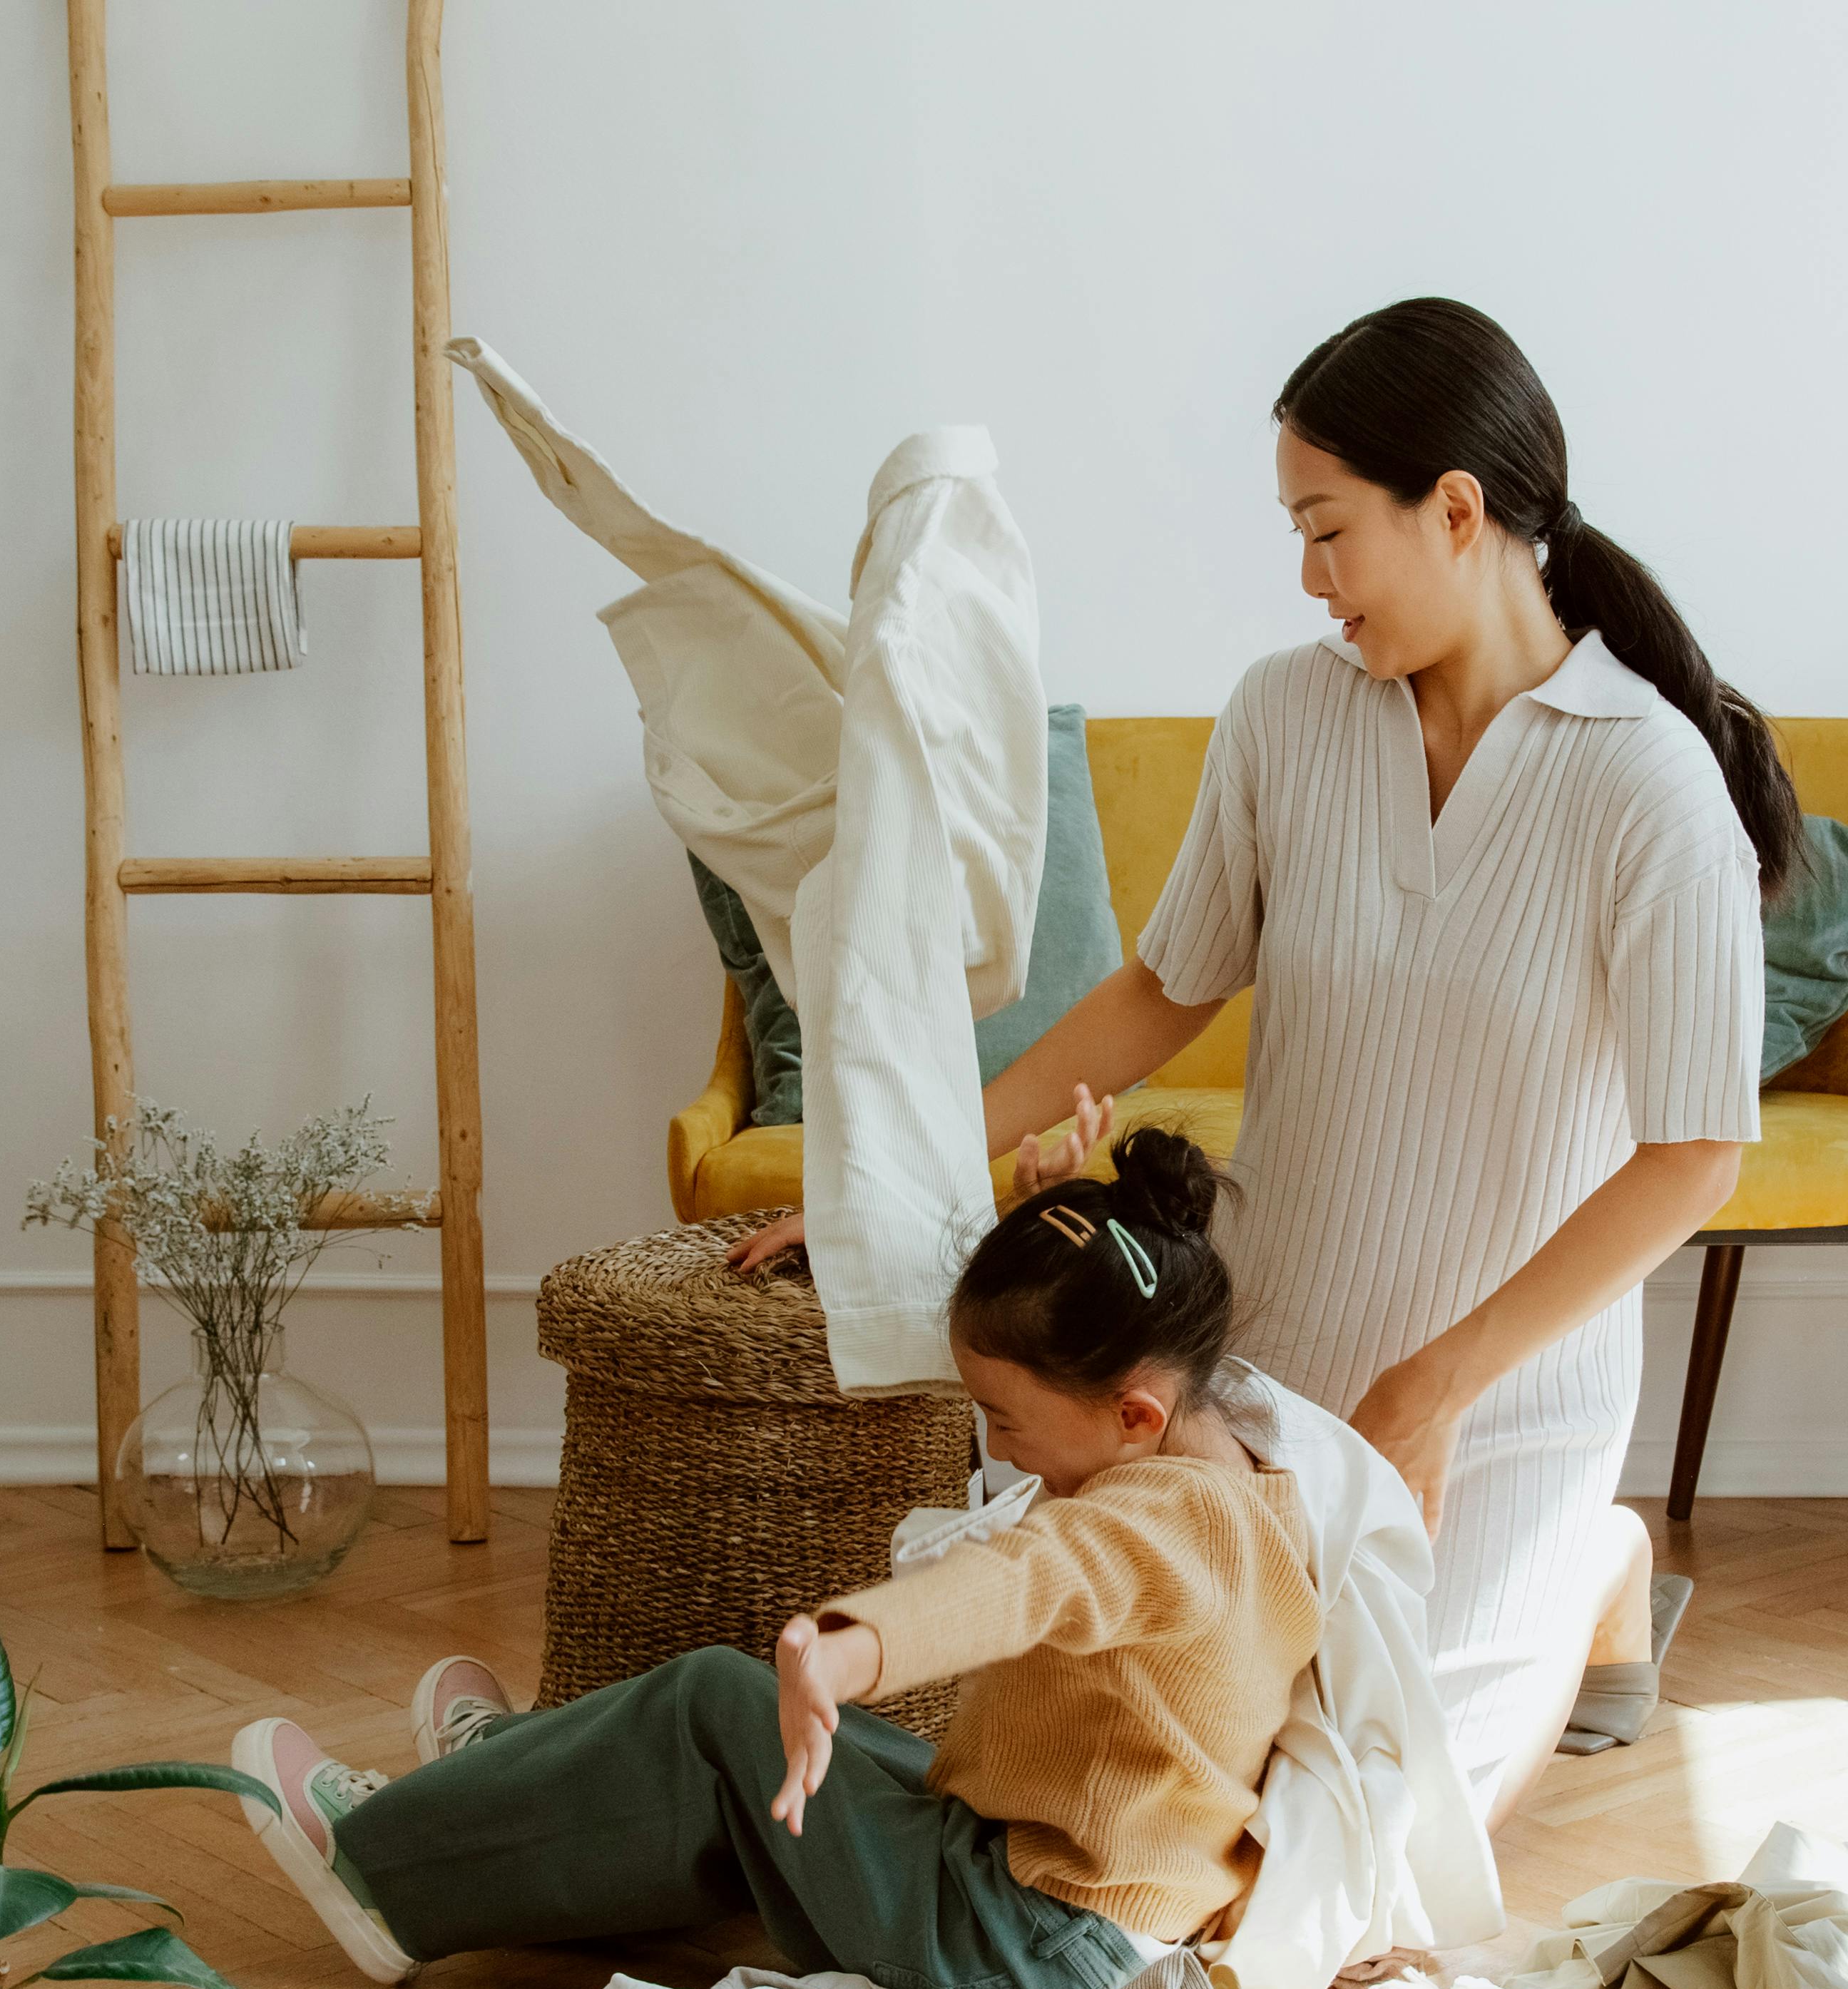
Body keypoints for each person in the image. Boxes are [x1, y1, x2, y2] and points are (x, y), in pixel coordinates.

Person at [738, 297, 1774, 1819]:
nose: (1307, 577)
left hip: (1494, 1403)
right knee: (1177, 1793)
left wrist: (1435, 1387)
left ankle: (1588, 1555)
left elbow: (1697, 1153)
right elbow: (1164, 986)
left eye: (1328, 528)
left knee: (1364, 1843)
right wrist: (895, 1191)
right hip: (1269, 1372)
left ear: (1458, 512)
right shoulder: (1288, 715)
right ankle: (1596, 1580)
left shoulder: (1645, 783)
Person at [231, 1130, 1327, 1989]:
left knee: (719, 1702)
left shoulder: (1151, 1522)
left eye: (1004, 1420)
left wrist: (850, 1649)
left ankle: (381, 1872)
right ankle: (507, 1780)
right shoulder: (1249, 1473)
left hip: (1024, 1954)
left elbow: (1025, 1579)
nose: (996, 1444)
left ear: (1134, 1413)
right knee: (765, 1744)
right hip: (1067, 1913)